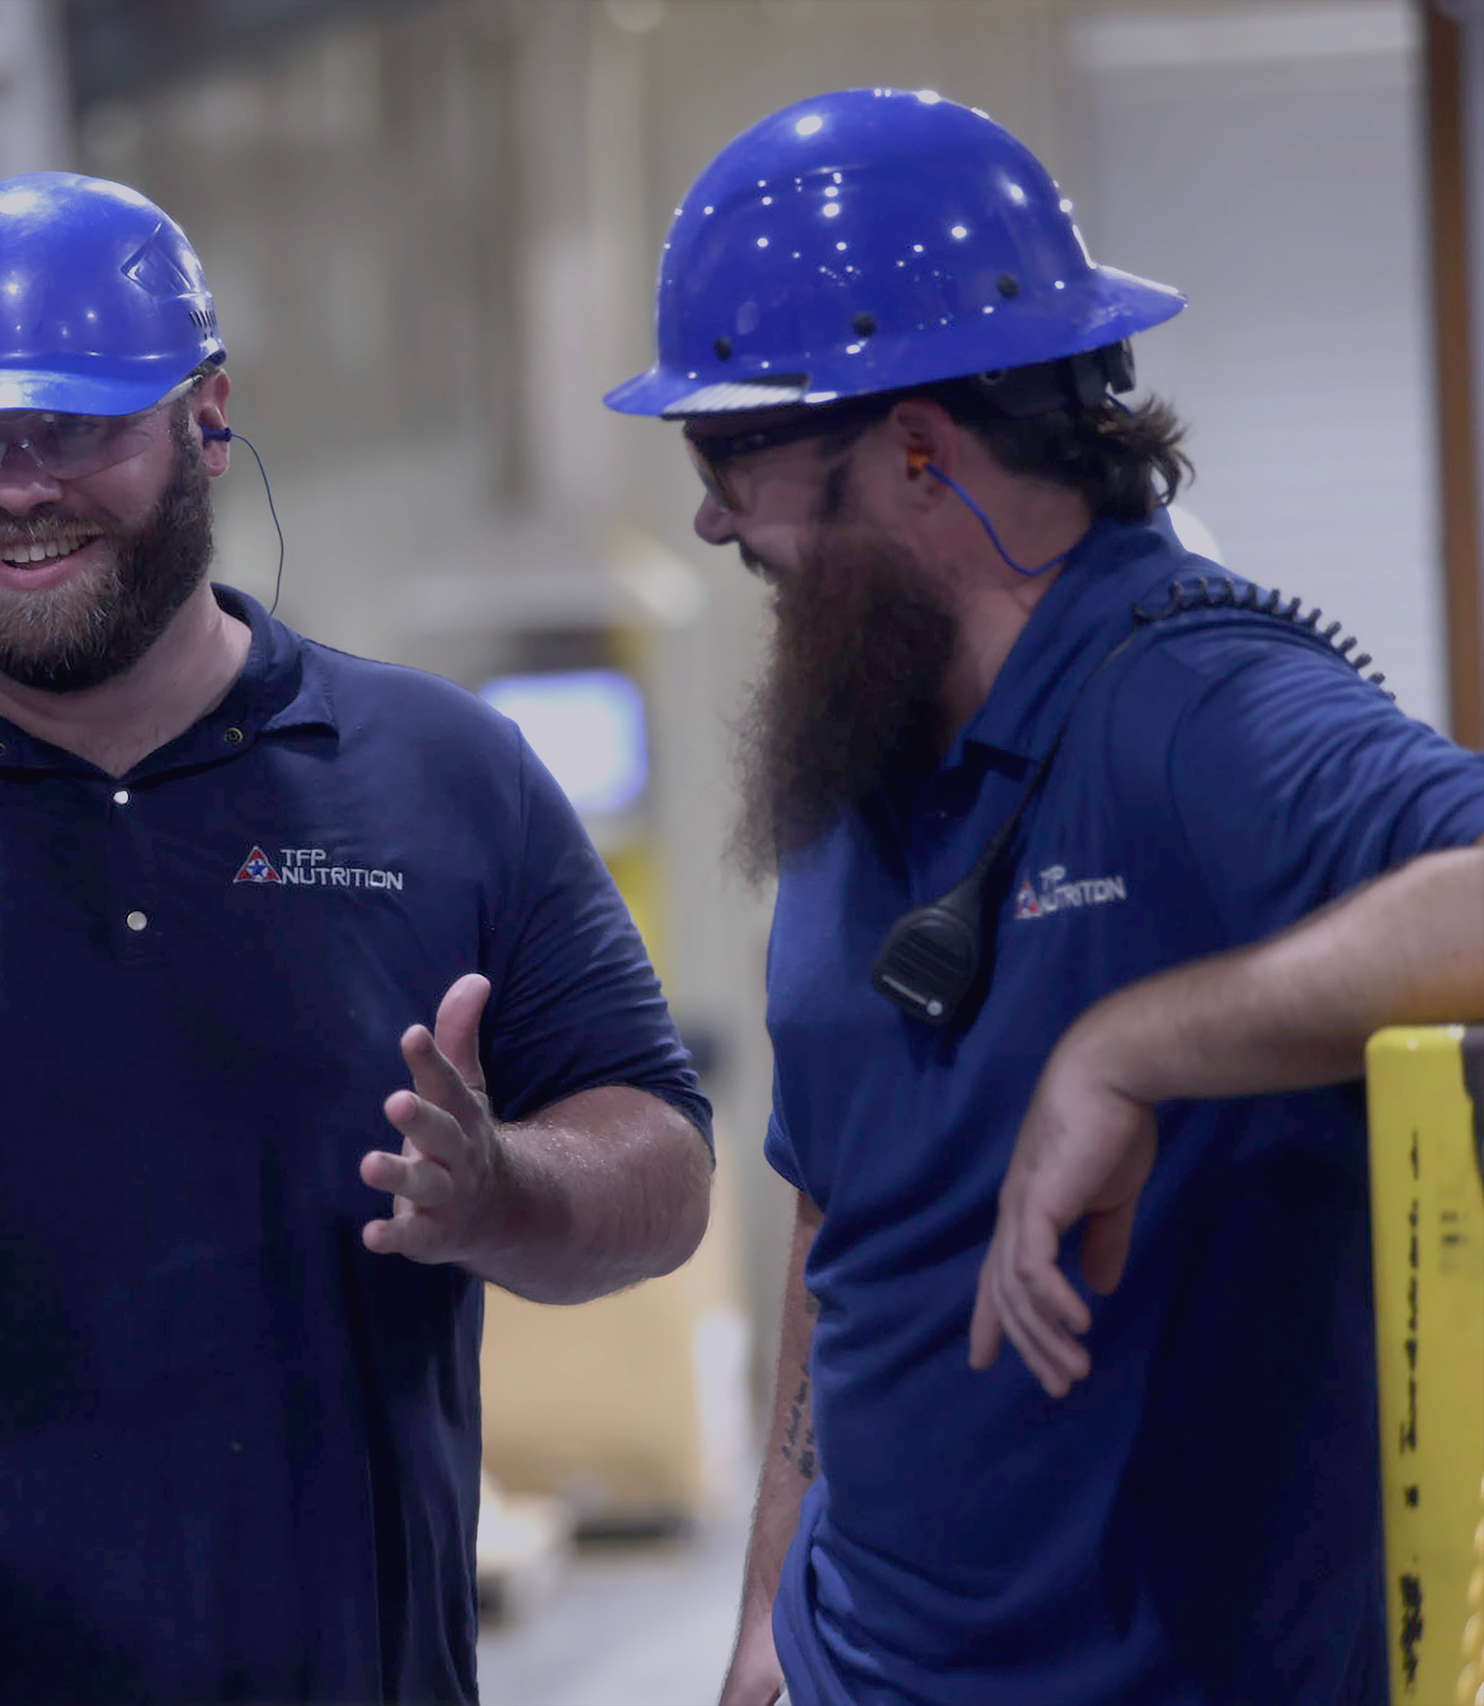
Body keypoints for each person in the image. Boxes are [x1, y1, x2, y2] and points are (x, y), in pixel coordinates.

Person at [0, 170, 714, 1704]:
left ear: (208, 417)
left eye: (78, 429)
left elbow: (664, 1162)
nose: (18, 488)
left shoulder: (437, 778)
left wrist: (508, 1190)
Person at [606, 86, 1484, 1706]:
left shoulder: (1193, 708)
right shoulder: (857, 731)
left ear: (921, 446)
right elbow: (837, 1211)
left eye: (735, 453)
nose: (712, 513)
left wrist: (1134, 1043)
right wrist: (762, 1623)